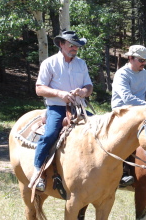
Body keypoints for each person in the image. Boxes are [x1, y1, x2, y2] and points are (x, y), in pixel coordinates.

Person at [29, 30, 93, 192]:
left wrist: (83, 92)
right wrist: (60, 94)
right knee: (50, 134)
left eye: (77, 46)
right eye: (71, 45)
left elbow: (89, 85)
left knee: (99, 129)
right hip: (56, 107)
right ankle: (38, 173)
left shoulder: (81, 63)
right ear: (61, 44)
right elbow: (39, 89)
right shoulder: (49, 63)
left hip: (79, 107)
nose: (75, 48)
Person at [111, 45, 146, 187]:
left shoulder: (144, 73)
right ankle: (123, 172)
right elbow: (127, 98)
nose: (144, 63)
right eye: (141, 60)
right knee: (125, 138)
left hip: (142, 111)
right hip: (123, 111)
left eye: (145, 60)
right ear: (130, 58)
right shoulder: (121, 74)